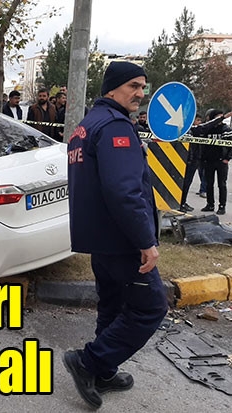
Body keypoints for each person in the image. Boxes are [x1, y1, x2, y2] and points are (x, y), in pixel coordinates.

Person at [65, 61, 168, 409]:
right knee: (150, 307)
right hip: (122, 239)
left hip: (100, 238)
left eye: (142, 87)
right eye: (133, 86)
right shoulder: (114, 127)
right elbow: (124, 192)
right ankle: (89, 362)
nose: (140, 93)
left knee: (112, 304)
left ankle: (104, 371)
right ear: (112, 88)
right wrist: (145, 241)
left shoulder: (86, 126)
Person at [197, 109, 232, 215]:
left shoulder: (226, 129)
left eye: (221, 117)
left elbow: (230, 145)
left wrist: (227, 158)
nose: (220, 119)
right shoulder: (208, 129)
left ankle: (222, 206)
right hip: (208, 161)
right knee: (209, 184)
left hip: (221, 161)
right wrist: (202, 158)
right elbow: (201, 143)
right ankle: (210, 204)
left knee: (222, 184)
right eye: (218, 117)